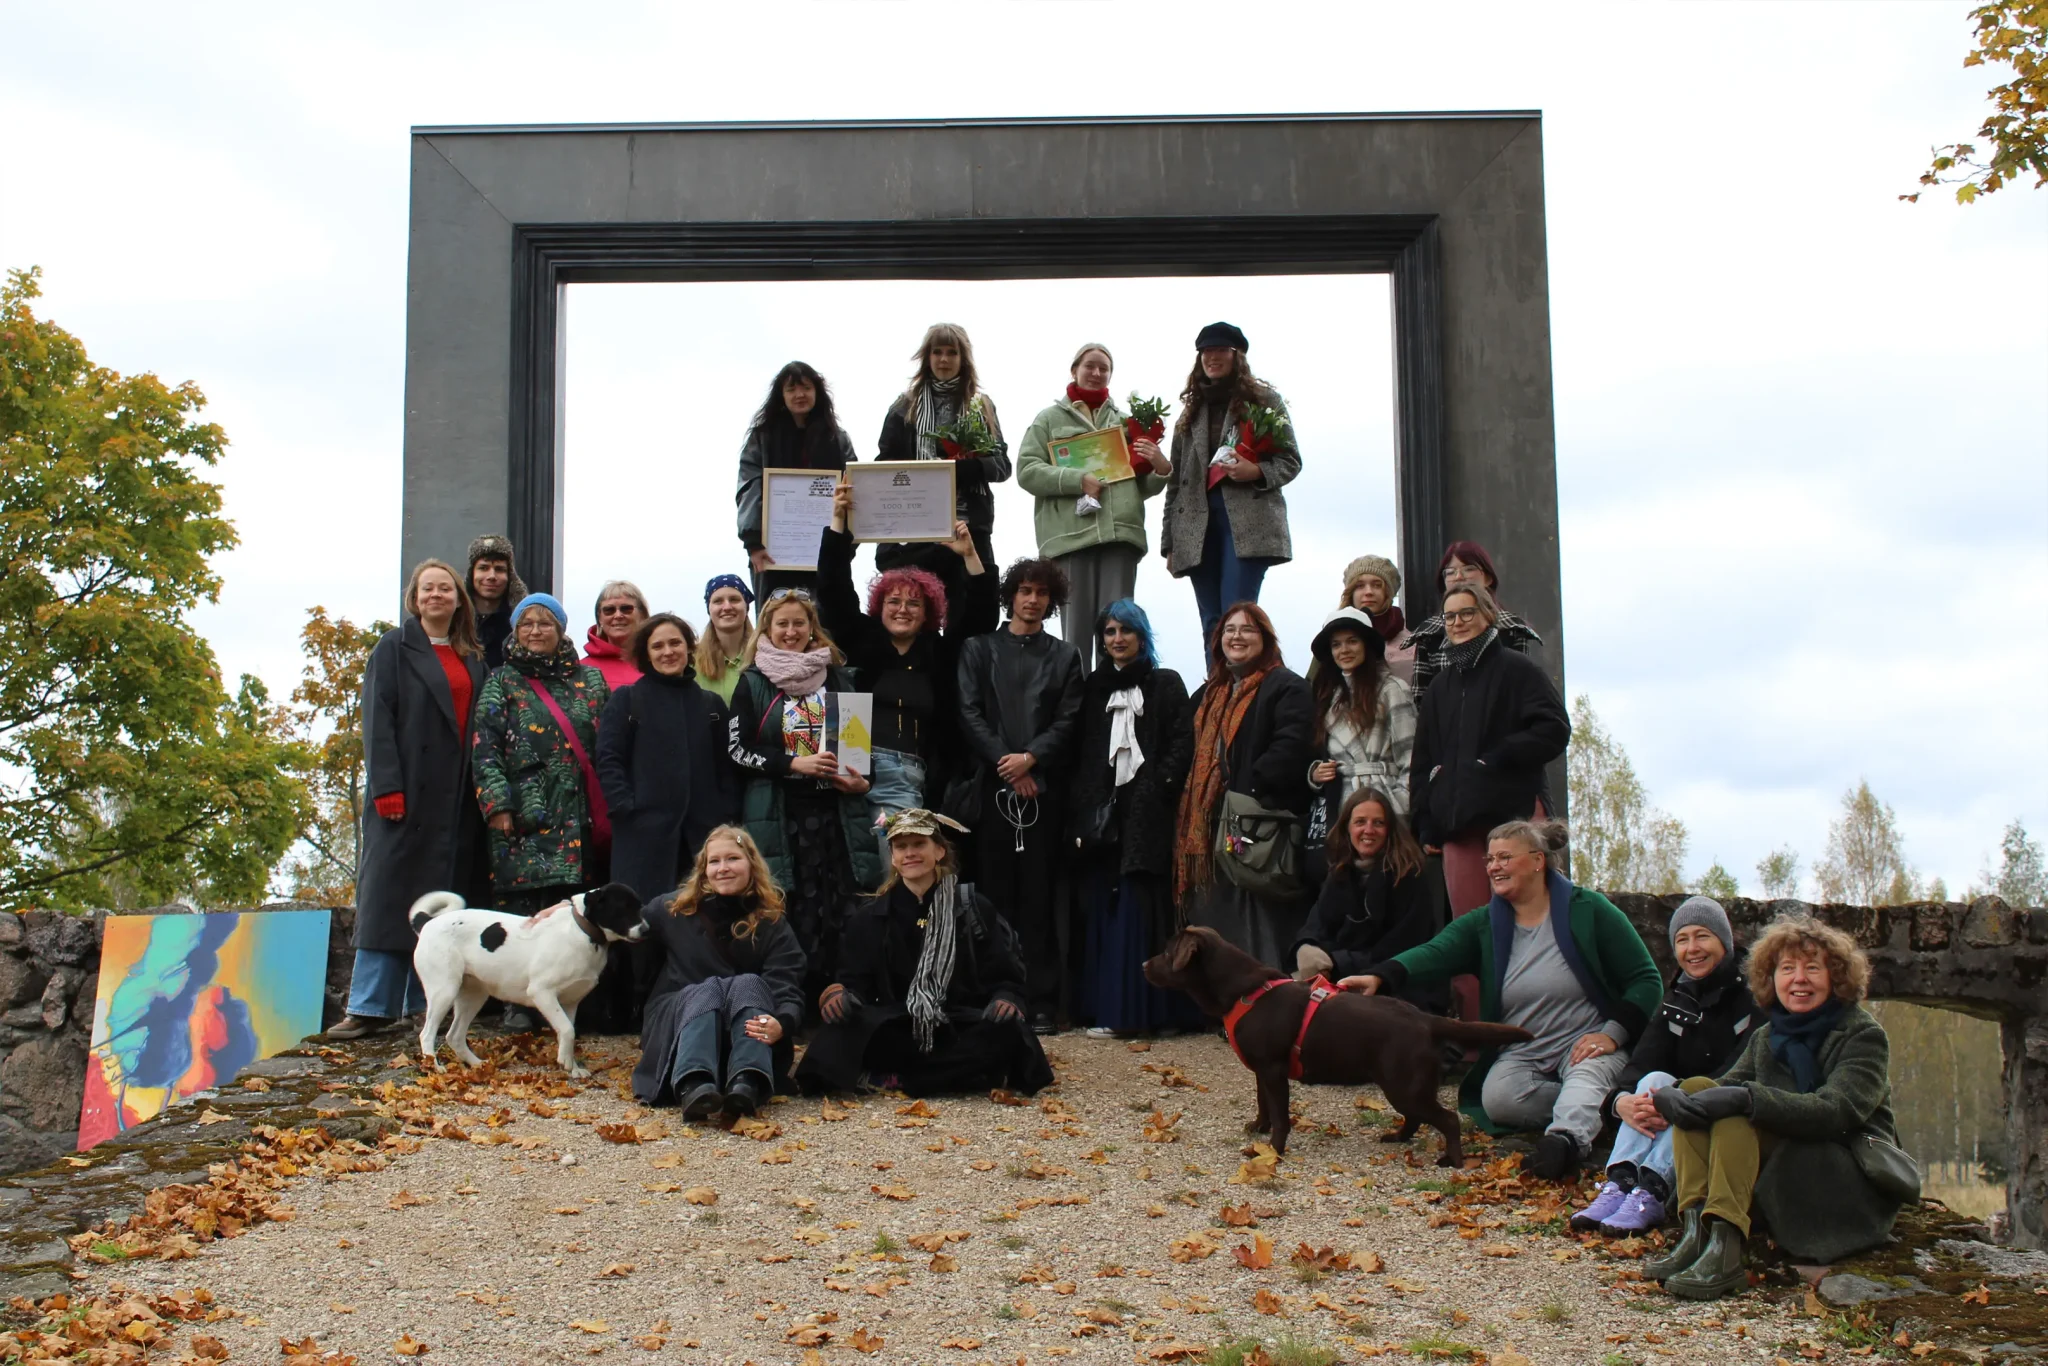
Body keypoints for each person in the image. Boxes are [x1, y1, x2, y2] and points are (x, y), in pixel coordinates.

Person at [1339, 819, 1665, 1181]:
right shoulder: (1485, 922)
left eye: (1505, 857)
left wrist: (1612, 1034)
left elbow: (1646, 978)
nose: (1494, 867)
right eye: (1490, 859)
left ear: (1538, 860)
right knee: (1500, 1100)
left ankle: (1564, 1143)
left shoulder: (1590, 909)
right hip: (1524, 1049)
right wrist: (1381, 976)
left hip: (1586, 1044)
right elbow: (1437, 951)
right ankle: (1609, 1106)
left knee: (1585, 1079)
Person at [1641, 915, 1907, 1298]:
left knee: (1737, 1116)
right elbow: (1724, 1087)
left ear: (1835, 977)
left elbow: (1837, 1111)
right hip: (1785, 1163)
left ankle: (1726, 1249)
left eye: (1812, 968)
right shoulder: (1768, 1036)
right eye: (1787, 969)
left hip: (1839, 1176)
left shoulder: (1862, 1034)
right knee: (1699, 1089)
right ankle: (1698, 1234)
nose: (1799, 979)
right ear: (1772, 978)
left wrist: (1749, 1099)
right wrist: (1675, 1094)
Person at [332, 560, 489, 1040]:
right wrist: (386, 787)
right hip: (404, 792)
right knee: (388, 897)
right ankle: (370, 1006)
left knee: (441, 906)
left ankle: (424, 1005)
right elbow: (377, 720)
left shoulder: (473, 658)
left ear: (459, 600)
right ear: (415, 598)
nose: (436, 595)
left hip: (454, 800)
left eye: (446, 588)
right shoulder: (393, 648)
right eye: (427, 589)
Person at [795, 809, 1053, 1098]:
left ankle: (902, 1079)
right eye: (901, 847)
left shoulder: (972, 907)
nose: (910, 853)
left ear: (939, 851)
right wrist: (839, 995)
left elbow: (1006, 975)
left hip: (958, 1022)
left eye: (919, 844)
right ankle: (957, 1077)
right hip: (898, 1022)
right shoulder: (870, 916)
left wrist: (1006, 998)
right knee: (841, 1030)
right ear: (893, 857)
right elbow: (855, 983)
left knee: (1009, 1030)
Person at [815, 482, 997, 857]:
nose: (902, 609)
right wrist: (838, 523)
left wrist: (970, 555)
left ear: (928, 611)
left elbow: (981, 619)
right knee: (852, 869)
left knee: (894, 866)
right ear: (879, 607)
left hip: (909, 775)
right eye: (893, 601)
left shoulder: (940, 652)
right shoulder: (860, 641)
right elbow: (832, 589)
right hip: (850, 766)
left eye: (914, 603)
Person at [1571, 896, 1765, 1238]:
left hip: (1726, 1110)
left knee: (1680, 1092)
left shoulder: (1754, 995)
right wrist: (1620, 1101)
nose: (1692, 949)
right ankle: (1620, 1182)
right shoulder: (1679, 996)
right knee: (1654, 1079)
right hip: (1677, 1105)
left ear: (1725, 940)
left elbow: (1738, 1070)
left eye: (1702, 936)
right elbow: (1643, 1061)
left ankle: (1653, 1189)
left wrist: (1673, 1097)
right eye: (1682, 940)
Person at [725, 589, 883, 1005]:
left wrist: (862, 781)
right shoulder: (752, 682)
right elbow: (737, 750)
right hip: (780, 815)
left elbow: (860, 751)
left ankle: (842, 998)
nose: (791, 631)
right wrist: (793, 763)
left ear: (812, 628)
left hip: (837, 814)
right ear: (768, 629)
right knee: (789, 907)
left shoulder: (839, 677)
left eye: (800, 623)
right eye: (783, 623)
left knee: (843, 908)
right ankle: (791, 1001)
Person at [955, 558, 1086, 1032]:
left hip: (1042, 792)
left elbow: (1070, 718)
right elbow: (968, 712)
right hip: (991, 789)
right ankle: (994, 994)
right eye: (1025, 590)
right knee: (992, 897)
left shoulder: (1066, 656)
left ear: (1052, 601)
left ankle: (1042, 1001)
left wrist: (1031, 759)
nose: (1032, 600)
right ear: (1010, 595)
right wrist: (1008, 764)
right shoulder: (978, 648)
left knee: (1039, 897)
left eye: (1042, 593)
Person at [1066, 600, 1199, 1036]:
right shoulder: (1092, 688)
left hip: (1148, 817)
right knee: (1103, 909)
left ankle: (1147, 1014)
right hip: (1102, 817)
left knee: (1141, 911)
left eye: (1126, 630)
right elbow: (1083, 751)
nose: (1118, 638)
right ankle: (1106, 1010)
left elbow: (1182, 742)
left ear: (1142, 637)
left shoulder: (1165, 683)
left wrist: (1157, 789)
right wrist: (1088, 803)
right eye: (1110, 631)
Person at [1409, 581, 1570, 920]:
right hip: (1459, 828)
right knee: (1472, 928)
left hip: (1515, 816)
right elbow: (1422, 761)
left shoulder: (1519, 670)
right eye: (1450, 616)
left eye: (1467, 613)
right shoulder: (1439, 688)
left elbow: (1554, 728)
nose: (1457, 622)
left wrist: (1498, 758)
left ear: (1487, 615)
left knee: (1531, 920)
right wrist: (1425, 821)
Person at [1172, 601, 1315, 969]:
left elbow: (1292, 746)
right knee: (1217, 927)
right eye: (1229, 630)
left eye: (1248, 629)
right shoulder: (1207, 694)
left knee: (1261, 927)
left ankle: (1267, 994)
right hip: (1208, 831)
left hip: (1257, 827)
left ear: (1265, 638)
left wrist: (1248, 790)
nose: (1237, 637)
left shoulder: (1286, 686)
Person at [631, 827, 806, 1119]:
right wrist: (570, 908)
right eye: (714, 861)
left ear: (751, 864)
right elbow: (620, 919)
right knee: (708, 989)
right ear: (704, 870)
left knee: (748, 983)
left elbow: (786, 983)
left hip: (742, 1025)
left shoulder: (771, 922)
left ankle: (747, 1081)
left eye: (733, 859)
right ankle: (693, 1083)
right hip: (678, 1022)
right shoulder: (673, 909)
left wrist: (783, 1022)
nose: (723, 868)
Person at [1014, 343, 1169, 662]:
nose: (1097, 373)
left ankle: (1116, 693)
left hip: (1119, 536)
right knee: (1076, 636)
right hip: (1070, 539)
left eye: (1104, 368)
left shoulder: (1127, 422)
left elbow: (1138, 485)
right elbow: (1027, 471)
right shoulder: (1049, 419)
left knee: (1119, 630)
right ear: (1074, 370)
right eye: (1090, 366)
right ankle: (1076, 693)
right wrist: (1077, 480)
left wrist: (1161, 469)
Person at [471, 592, 612, 924]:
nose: (535, 631)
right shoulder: (501, 680)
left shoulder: (591, 680)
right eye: (527, 624)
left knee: (578, 925)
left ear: (560, 630)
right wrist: (497, 805)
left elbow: (609, 745)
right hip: (525, 822)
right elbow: (485, 747)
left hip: (582, 823)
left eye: (545, 623)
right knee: (525, 929)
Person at [1159, 323, 1301, 643]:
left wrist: (1257, 471)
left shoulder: (1264, 400)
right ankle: (1217, 679)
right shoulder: (1190, 411)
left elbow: (1291, 461)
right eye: (1206, 351)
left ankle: (1248, 677)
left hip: (1247, 525)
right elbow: (1176, 482)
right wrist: (1170, 544)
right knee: (1211, 623)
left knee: (1237, 616)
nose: (1212, 357)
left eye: (1221, 350)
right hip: (1196, 529)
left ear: (1238, 356)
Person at [597, 613, 739, 905]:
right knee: (645, 922)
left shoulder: (711, 705)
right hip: (642, 839)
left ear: (688, 647)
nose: (668, 652)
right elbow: (609, 759)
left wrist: (724, 814)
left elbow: (728, 767)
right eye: (658, 646)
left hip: (704, 840)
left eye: (675, 643)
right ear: (646, 653)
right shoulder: (627, 700)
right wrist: (627, 809)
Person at [875, 323, 1011, 618]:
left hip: (968, 527)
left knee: (974, 615)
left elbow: (1002, 466)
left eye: (952, 352)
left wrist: (965, 468)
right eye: (937, 352)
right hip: (915, 527)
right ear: (927, 357)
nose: (944, 359)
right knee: (912, 616)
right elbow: (884, 465)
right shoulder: (904, 406)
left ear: (964, 358)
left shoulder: (981, 405)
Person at [1290, 787, 1446, 1015]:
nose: (1369, 830)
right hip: (1341, 978)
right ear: (1347, 827)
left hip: (1396, 986)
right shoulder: (1339, 872)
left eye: (1378, 823)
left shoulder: (1409, 875)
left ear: (1389, 829)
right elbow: (1317, 924)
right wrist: (1307, 947)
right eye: (1360, 822)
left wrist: (1336, 961)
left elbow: (1402, 945)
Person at [737, 361, 858, 600]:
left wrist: (846, 544)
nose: (799, 395)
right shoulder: (762, 438)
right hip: (773, 553)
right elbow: (749, 487)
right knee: (777, 615)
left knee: (828, 613)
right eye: (791, 389)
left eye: (806, 388)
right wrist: (753, 542)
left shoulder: (837, 439)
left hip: (827, 549)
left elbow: (853, 489)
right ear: (781, 396)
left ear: (817, 392)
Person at [1307, 606, 1416, 816]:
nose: (1344, 650)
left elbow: (1411, 758)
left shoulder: (1392, 689)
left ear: (1366, 645)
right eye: (1336, 644)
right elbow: (1314, 753)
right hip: (1338, 806)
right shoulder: (1326, 697)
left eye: (1352, 641)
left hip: (1382, 804)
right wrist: (1315, 774)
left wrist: (1399, 807)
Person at [1406, 541, 1544, 696]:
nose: (1458, 577)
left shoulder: (1512, 629)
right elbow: (1421, 697)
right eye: (1450, 572)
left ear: (1488, 578)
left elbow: (1521, 692)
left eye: (1469, 569)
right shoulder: (1429, 633)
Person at [1338, 554, 1415, 686]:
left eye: (1377, 585)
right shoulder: (1332, 636)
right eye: (1360, 586)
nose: (1368, 592)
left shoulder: (1413, 644)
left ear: (1388, 592)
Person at [466, 534, 526, 670]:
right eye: (483, 568)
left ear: (510, 576)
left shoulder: (522, 624)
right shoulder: (455, 620)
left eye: (499, 569)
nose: (491, 576)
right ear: (472, 573)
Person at [696, 574, 755, 707]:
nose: (727, 607)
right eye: (718, 601)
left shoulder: (766, 655)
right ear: (709, 609)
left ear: (746, 607)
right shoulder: (691, 661)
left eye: (734, 599)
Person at [581, 580, 648, 691]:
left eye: (626, 609)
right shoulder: (580, 671)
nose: (618, 615)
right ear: (599, 618)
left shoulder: (659, 664)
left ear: (642, 615)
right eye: (609, 610)